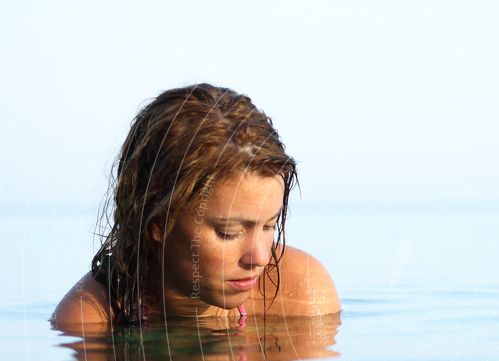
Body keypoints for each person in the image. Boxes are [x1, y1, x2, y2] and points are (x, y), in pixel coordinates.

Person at [51, 83, 340, 331]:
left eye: (269, 226)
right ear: (158, 224)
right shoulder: (89, 323)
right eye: (229, 232)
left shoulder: (303, 293)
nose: (261, 258)